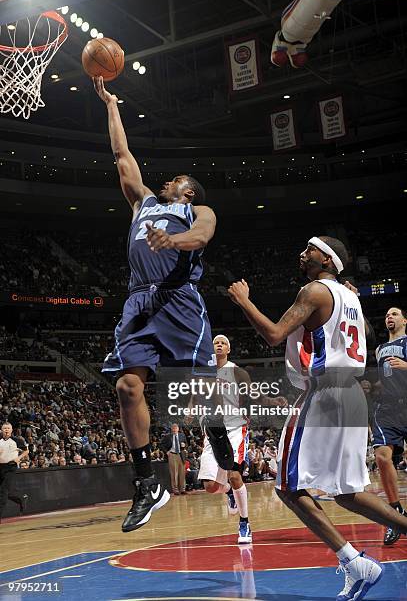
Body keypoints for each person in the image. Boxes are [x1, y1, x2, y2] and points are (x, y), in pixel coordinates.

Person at [228, 236, 407, 600]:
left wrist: (244, 302)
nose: (301, 254)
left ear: (326, 259)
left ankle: (355, 563)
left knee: (287, 487)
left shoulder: (314, 291)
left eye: (308, 249)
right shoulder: (349, 295)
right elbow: (365, 336)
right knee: (346, 493)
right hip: (353, 394)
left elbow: (275, 335)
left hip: (325, 393)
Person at [94, 76, 229, 533]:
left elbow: (202, 237)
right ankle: (145, 482)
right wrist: (111, 105)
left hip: (179, 302)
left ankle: (222, 448)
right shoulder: (144, 203)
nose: (168, 180)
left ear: (188, 192)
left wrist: (173, 239)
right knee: (127, 389)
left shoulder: (197, 211)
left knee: (196, 391)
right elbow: (122, 157)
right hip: (139, 303)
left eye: (177, 180)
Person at [197, 335, 286, 544]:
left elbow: (254, 395)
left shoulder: (237, 372)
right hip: (213, 429)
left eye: (223, 343)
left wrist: (272, 400)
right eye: (215, 343)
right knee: (210, 486)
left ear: (228, 348)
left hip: (236, 427)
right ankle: (228, 492)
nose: (218, 345)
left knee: (235, 475)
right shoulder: (203, 373)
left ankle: (244, 522)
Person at [373, 307, 407, 545]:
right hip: (387, 408)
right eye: (386, 315)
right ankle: (396, 514)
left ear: (404, 320)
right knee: (382, 457)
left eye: (394, 313)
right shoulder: (378, 350)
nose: (389, 317)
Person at [0, 422, 29, 522]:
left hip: (10, 467)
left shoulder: (17, 440)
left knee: (3, 492)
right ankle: (21, 499)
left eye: (8, 428)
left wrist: (18, 458)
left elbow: (26, 451)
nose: (6, 430)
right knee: (7, 492)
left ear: (11, 430)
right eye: (4, 428)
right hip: (0, 467)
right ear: (1, 430)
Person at [161, 424, 187, 495]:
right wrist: (167, 452)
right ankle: (175, 490)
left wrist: (184, 446)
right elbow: (162, 444)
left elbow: (185, 443)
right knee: (174, 473)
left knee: (182, 473)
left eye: (176, 428)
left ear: (178, 429)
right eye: (173, 428)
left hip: (181, 454)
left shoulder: (182, 435)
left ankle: (182, 489)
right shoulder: (167, 436)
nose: (175, 429)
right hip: (172, 454)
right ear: (171, 429)